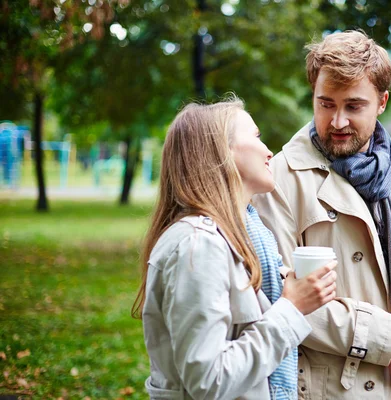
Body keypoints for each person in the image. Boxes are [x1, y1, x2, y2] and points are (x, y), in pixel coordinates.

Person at [252, 31, 391, 399]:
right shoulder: (279, 177)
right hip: (328, 386)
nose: (337, 121)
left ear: (382, 102)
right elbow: (275, 298)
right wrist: (383, 337)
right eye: (326, 104)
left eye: (353, 106)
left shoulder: (389, 173)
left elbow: (384, 275)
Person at [131, 98, 338, 399]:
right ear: (221, 151)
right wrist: (290, 310)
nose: (269, 151)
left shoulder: (240, 238)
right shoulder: (198, 246)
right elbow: (208, 380)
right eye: (255, 136)